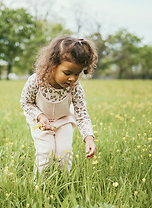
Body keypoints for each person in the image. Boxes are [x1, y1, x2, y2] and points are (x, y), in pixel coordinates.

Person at [20, 36, 98, 179]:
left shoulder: (75, 87)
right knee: (46, 151)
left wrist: (89, 138)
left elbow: (82, 114)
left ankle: (63, 182)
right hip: (41, 123)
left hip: (64, 121)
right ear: (52, 65)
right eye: (67, 73)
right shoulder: (36, 81)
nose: (72, 79)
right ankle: (40, 184)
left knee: (64, 152)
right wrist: (40, 117)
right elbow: (25, 103)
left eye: (77, 74)